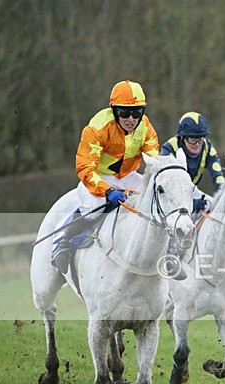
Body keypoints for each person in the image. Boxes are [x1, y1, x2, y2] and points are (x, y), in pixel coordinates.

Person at [51, 80, 161, 275]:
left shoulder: (146, 127)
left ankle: (168, 250)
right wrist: (108, 190)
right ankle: (63, 242)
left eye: (136, 112)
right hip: (98, 176)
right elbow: (85, 167)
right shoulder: (97, 128)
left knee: (154, 200)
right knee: (94, 209)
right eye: (124, 112)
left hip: (128, 176)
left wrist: (152, 181)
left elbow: (153, 161)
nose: (131, 118)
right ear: (114, 110)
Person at [160, 111, 225, 265]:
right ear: (182, 137)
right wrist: (190, 204)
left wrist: (222, 199)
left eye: (200, 139)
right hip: (171, 195)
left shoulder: (208, 147)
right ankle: (171, 253)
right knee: (177, 217)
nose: (197, 144)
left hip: (192, 189)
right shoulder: (169, 148)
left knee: (216, 206)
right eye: (192, 140)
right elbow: (168, 184)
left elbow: (218, 177)